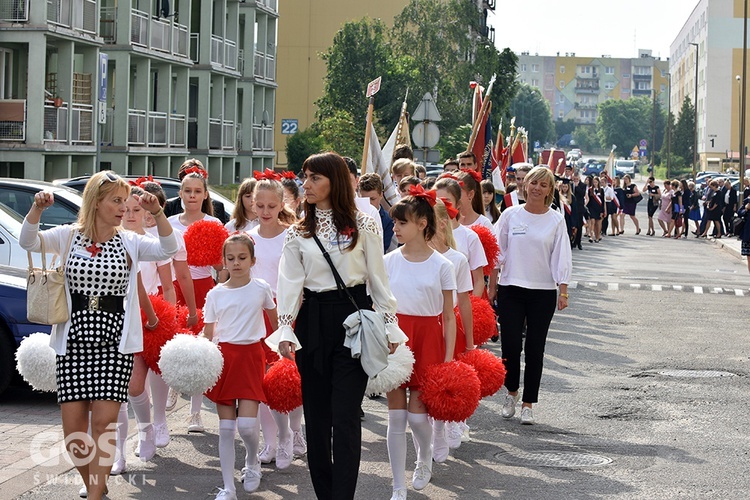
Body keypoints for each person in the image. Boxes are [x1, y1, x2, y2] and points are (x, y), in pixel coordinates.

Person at [20, 171, 178, 500]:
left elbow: (168, 248)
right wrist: (36, 210)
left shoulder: (130, 241)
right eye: (116, 201)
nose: (123, 208)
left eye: (126, 201)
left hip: (114, 341)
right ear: (96, 203)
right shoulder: (68, 236)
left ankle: (94, 494)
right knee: (74, 431)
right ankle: (96, 480)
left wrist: (159, 213)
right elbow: (28, 241)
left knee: (104, 423)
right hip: (73, 340)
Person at [269, 152, 406, 500]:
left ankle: (343, 495)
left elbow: (379, 279)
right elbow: (289, 284)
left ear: (333, 181)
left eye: (315, 177)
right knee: (316, 419)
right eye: (305, 177)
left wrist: (390, 325)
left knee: (345, 418)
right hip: (311, 321)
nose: (306, 184)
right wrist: (285, 327)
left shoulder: (365, 224)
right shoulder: (297, 233)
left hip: (354, 320)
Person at [384, 188, 456, 499]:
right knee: (396, 417)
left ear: (423, 223)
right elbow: (381, 307)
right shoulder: (387, 262)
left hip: (428, 340)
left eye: (402, 223)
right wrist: (385, 338)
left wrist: (450, 358)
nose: (396, 228)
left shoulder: (442, 265)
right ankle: (397, 484)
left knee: (417, 416)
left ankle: (424, 456)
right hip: (396, 340)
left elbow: (449, 316)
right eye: (395, 223)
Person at [203, 233, 278, 499]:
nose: (236, 263)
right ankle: (228, 487)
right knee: (225, 428)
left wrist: (281, 353)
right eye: (231, 258)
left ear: (253, 260)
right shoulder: (214, 294)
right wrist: (201, 361)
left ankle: (252, 461)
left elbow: (275, 322)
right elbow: (207, 333)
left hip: (251, 357)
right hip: (223, 359)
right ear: (223, 261)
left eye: (242, 258)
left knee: (246, 426)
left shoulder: (261, 288)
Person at [496, 166, 572, 425]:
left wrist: (563, 289)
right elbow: (498, 250)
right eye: (533, 183)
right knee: (511, 346)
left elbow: (561, 254)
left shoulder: (555, 219)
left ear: (550, 189)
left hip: (542, 292)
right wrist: (492, 285)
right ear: (525, 185)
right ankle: (511, 393)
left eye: (543, 184)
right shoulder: (510, 215)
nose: (537, 188)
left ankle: (528, 403)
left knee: (535, 348)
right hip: (511, 288)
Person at [247, 172, 305, 470]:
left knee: (288, 379)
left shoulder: (293, 234)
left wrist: (291, 314)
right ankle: (274, 440)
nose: (266, 212)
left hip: (286, 315)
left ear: (282, 203)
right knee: (261, 382)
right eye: (260, 206)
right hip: (255, 316)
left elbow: (301, 278)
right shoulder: (248, 238)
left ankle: (293, 431)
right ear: (252, 205)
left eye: (271, 206)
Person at [167, 165, 225, 433]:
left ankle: (195, 414)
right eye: (187, 191)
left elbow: (221, 266)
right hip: (172, 286)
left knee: (201, 346)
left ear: (205, 195)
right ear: (180, 193)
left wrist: (222, 290)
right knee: (172, 340)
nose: (192, 195)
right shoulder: (169, 224)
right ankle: (170, 385)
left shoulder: (214, 224)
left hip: (203, 287)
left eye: (197, 191)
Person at [428, 198, 475, 455]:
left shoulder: (457, 259)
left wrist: (469, 342)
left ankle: (454, 421)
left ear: (443, 223)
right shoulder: (416, 254)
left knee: (449, 378)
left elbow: (465, 301)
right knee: (428, 380)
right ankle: (435, 431)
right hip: (425, 325)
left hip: (449, 325)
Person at [434, 177, 487, 297]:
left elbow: (479, 281)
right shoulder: (424, 234)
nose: (441, 205)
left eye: (446, 201)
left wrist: (468, 308)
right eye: (436, 200)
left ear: (457, 204)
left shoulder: (470, 237)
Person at [164, 159, 228, 223]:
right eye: (188, 190)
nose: (192, 195)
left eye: (197, 191)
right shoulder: (170, 208)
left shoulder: (216, 214)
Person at [359, 172, 395, 253]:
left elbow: (383, 246)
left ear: (381, 195)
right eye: (365, 199)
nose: (369, 204)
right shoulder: (354, 216)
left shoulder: (388, 220)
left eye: (372, 199)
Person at [586, 176, 605, 242]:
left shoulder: (601, 190)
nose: (595, 183)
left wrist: (602, 211)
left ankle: (597, 237)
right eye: (594, 182)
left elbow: (603, 201)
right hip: (591, 208)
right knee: (592, 222)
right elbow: (588, 199)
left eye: (596, 182)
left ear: (598, 183)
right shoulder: (590, 190)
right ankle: (591, 236)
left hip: (599, 209)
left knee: (598, 224)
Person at [737, 196, 750, 273]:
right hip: (748, 233)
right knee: (749, 257)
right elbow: (739, 213)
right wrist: (746, 209)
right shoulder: (747, 200)